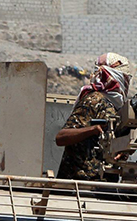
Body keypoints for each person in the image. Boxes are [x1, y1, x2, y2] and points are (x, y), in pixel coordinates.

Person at [54, 52, 132, 181]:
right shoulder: (94, 100)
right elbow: (61, 138)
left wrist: (122, 151)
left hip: (105, 184)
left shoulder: (118, 108)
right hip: (78, 183)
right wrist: (92, 130)